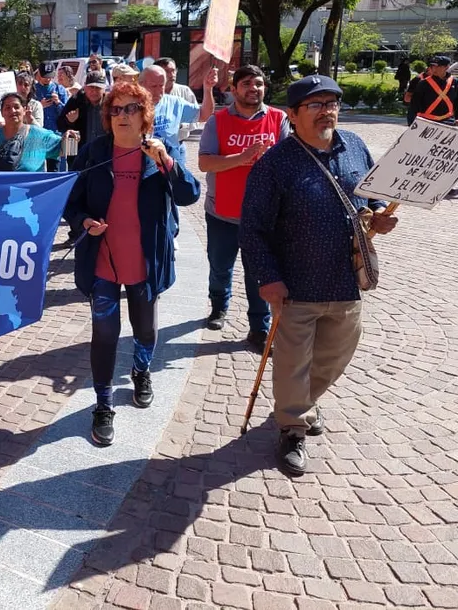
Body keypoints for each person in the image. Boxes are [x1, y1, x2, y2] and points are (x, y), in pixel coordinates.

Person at [240, 75, 398, 476]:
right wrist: (267, 278)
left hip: (347, 280)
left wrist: (380, 213)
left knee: (333, 356)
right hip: (296, 284)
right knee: (292, 362)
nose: (327, 109)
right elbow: (253, 228)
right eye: (315, 104)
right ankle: (291, 428)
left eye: (332, 102)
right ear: (292, 115)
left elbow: (373, 190)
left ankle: (303, 404)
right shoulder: (275, 164)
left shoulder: (355, 147)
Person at [65, 82, 201, 446]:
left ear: (146, 114)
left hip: (146, 261)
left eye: (131, 109)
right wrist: (83, 223)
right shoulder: (95, 152)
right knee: (105, 335)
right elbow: (70, 201)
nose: (123, 116)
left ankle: (141, 371)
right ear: (108, 117)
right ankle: (103, 403)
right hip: (103, 263)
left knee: (145, 330)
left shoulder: (161, 150)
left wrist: (165, 162)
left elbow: (189, 195)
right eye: (116, 109)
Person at [198, 65, 290, 349]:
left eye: (259, 83)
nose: (254, 88)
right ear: (234, 89)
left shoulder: (278, 118)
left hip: (263, 216)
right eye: (247, 83)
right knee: (220, 267)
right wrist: (243, 157)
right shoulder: (218, 121)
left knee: (259, 274)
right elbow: (205, 163)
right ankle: (218, 306)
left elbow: (289, 162)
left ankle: (258, 328)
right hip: (222, 213)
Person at [0, 92, 78, 172]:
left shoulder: (40, 135)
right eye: (7, 108)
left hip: (32, 197)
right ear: (2, 113)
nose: (13, 111)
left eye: (16, 107)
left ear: (24, 110)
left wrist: (72, 136)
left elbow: (69, 151)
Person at [59, 70, 109, 169]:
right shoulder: (76, 100)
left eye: (98, 88)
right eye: (91, 87)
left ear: (104, 89)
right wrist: (70, 122)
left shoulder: (110, 104)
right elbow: (60, 124)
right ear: (85, 87)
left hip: (105, 155)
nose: (94, 91)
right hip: (80, 155)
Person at [407, 55, 458, 126]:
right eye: (432, 66)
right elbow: (414, 105)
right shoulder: (424, 83)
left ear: (446, 67)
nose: (434, 69)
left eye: (437, 66)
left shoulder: (455, 82)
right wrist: (412, 122)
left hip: (448, 120)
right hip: (426, 121)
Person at [34, 62, 69, 136]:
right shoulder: (33, 90)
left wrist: (58, 102)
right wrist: (39, 106)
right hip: (39, 132)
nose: (47, 79)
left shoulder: (60, 89)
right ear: (39, 73)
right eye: (45, 76)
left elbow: (67, 113)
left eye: (50, 76)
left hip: (56, 132)